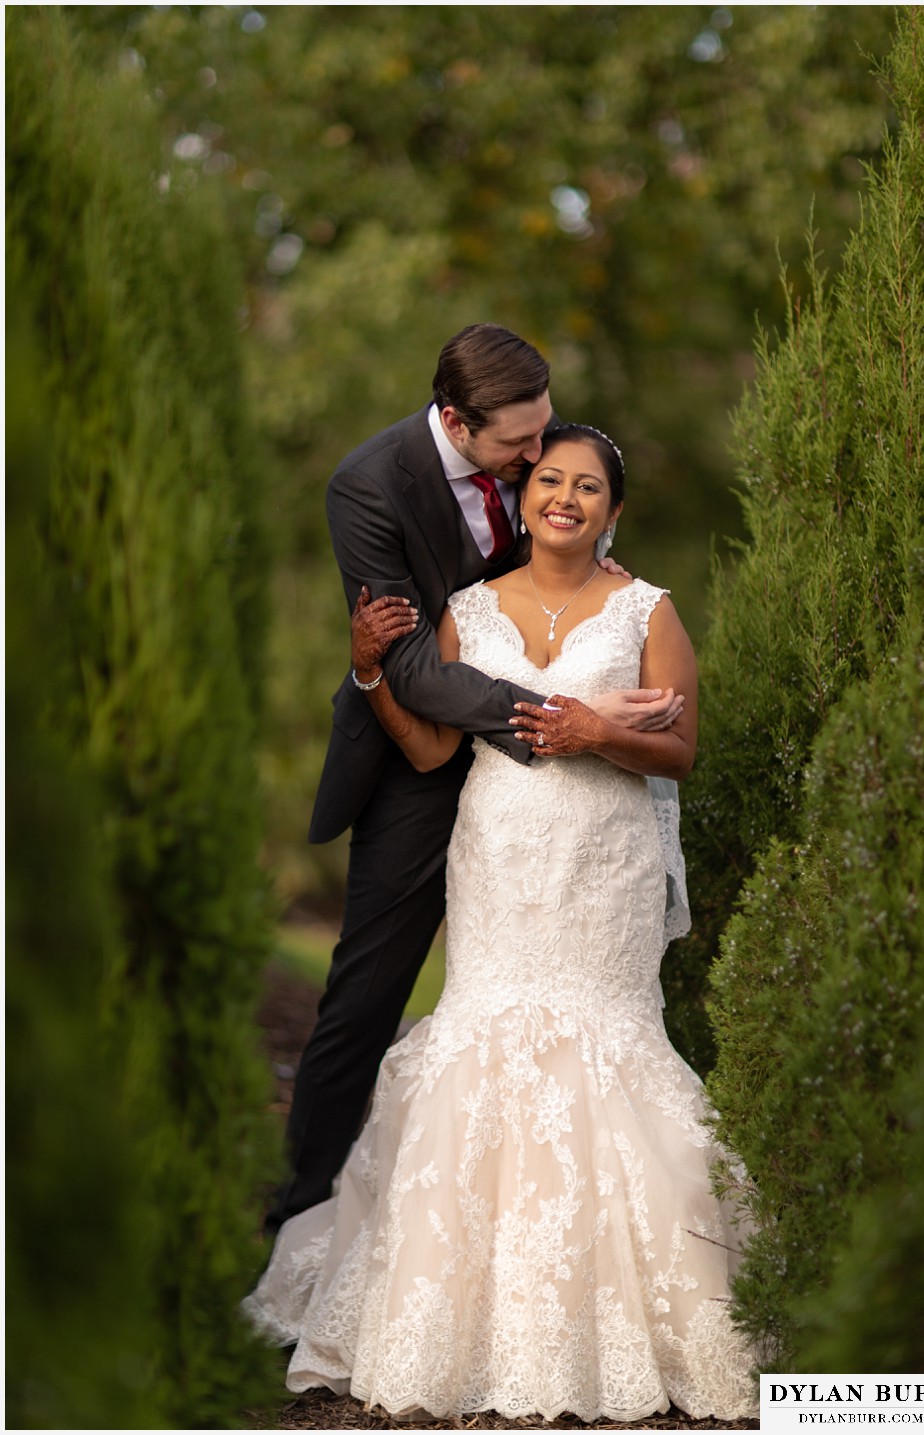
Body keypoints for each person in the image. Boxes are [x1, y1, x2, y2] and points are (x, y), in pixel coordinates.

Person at [245, 424, 758, 1423]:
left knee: (604, 1041)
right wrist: (367, 671)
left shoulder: (647, 610)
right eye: (550, 480)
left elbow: (683, 749)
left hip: (601, 860)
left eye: (589, 486)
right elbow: (434, 752)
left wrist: (597, 729)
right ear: (524, 499)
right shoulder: (467, 611)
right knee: (486, 1036)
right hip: (499, 854)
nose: (565, 497)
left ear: (614, 509)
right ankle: (444, 1312)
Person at [267, 326, 683, 1232]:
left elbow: (581, 485)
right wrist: (559, 716)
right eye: (519, 445)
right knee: (369, 993)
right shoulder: (368, 486)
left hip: (562, 795)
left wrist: (600, 551)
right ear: (457, 420)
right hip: (420, 755)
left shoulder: (532, 431)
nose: (539, 452)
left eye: (545, 432)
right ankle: (302, 1216)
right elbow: (412, 666)